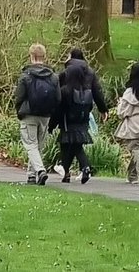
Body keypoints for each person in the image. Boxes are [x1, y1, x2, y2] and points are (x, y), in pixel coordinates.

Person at [50, 53, 108, 184]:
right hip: (83, 114)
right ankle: (67, 172)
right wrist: (103, 109)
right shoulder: (89, 74)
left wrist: (52, 124)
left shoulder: (65, 85)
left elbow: (58, 105)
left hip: (68, 118)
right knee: (74, 143)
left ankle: (82, 167)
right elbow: (97, 92)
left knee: (70, 143)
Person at [14, 43, 61, 185]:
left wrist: (19, 111)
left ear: (32, 56)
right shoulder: (53, 77)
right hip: (45, 115)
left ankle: (40, 171)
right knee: (38, 146)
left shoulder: (26, 76)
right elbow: (58, 98)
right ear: (44, 56)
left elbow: (19, 97)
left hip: (29, 114)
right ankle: (31, 175)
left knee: (31, 144)